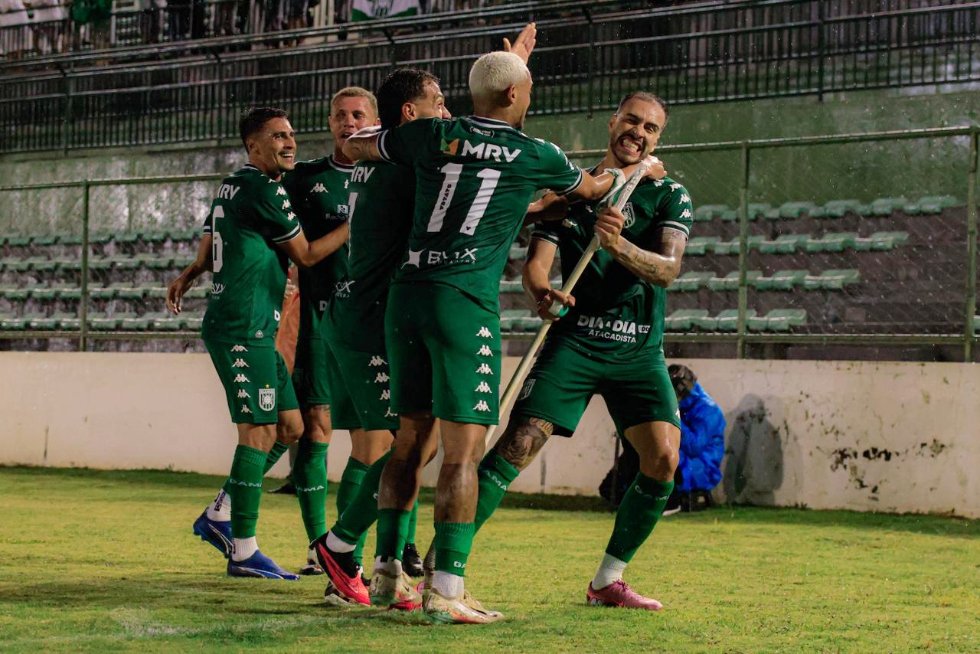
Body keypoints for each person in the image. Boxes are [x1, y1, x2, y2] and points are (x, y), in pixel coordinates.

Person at [341, 44, 662, 622]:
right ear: (515, 95)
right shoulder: (534, 151)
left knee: (408, 440)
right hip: (462, 303)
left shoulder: (432, 135)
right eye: (528, 88)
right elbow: (589, 190)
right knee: (463, 452)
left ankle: (388, 572)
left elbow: (359, 144)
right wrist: (633, 171)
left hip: (406, 296)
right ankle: (447, 588)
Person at [469, 91, 690, 611]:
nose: (638, 133)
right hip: (574, 341)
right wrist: (542, 293)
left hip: (638, 350)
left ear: (658, 137)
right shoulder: (571, 191)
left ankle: (608, 581)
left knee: (662, 458)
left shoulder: (670, 194)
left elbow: (667, 269)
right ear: (612, 121)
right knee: (517, 446)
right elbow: (536, 267)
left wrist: (618, 246)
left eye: (651, 128)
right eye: (631, 121)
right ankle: (441, 566)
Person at [165, 107, 349, 579]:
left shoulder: (234, 183)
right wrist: (355, 223)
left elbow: (211, 229)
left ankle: (221, 512)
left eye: (291, 135)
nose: (289, 143)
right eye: (277, 137)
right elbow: (306, 254)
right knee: (259, 433)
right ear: (254, 145)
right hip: (241, 327)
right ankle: (242, 549)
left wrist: (193, 269)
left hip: (256, 327)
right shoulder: (264, 188)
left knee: (291, 427)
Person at [311, 67, 451, 609]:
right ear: (411, 115)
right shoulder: (409, 165)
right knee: (399, 445)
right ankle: (339, 551)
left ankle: (387, 569)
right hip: (368, 320)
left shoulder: (378, 156)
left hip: (365, 314)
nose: (446, 112)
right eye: (438, 103)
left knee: (400, 443)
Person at [278, 87, 389, 577]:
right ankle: (317, 545)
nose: (348, 122)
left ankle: (368, 547)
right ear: (329, 122)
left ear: (376, 120)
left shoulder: (391, 176)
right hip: (322, 319)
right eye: (340, 115)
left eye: (358, 114)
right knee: (317, 431)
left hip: (375, 321)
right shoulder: (306, 179)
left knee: (378, 439)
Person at [600, 363, 726, 514]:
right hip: (682, 459)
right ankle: (618, 491)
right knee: (639, 448)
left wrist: (672, 419)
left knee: (658, 452)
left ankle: (670, 502)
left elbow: (694, 448)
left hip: (700, 466)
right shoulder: (683, 406)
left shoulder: (708, 410)